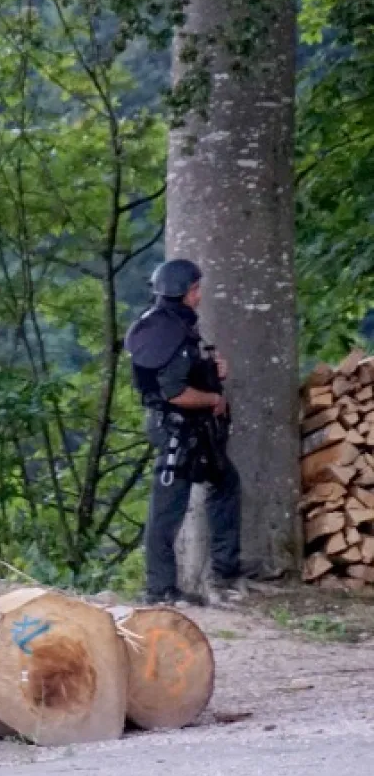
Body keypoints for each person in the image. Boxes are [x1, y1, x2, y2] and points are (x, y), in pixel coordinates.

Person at [125, 258, 243, 605]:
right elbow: (174, 392)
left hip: (188, 429)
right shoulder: (172, 330)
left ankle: (224, 573)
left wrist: (211, 367)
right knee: (167, 508)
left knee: (225, 483)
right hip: (179, 430)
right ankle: (161, 589)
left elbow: (182, 369)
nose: (200, 294)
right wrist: (213, 399)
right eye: (197, 288)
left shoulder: (163, 324)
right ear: (190, 292)